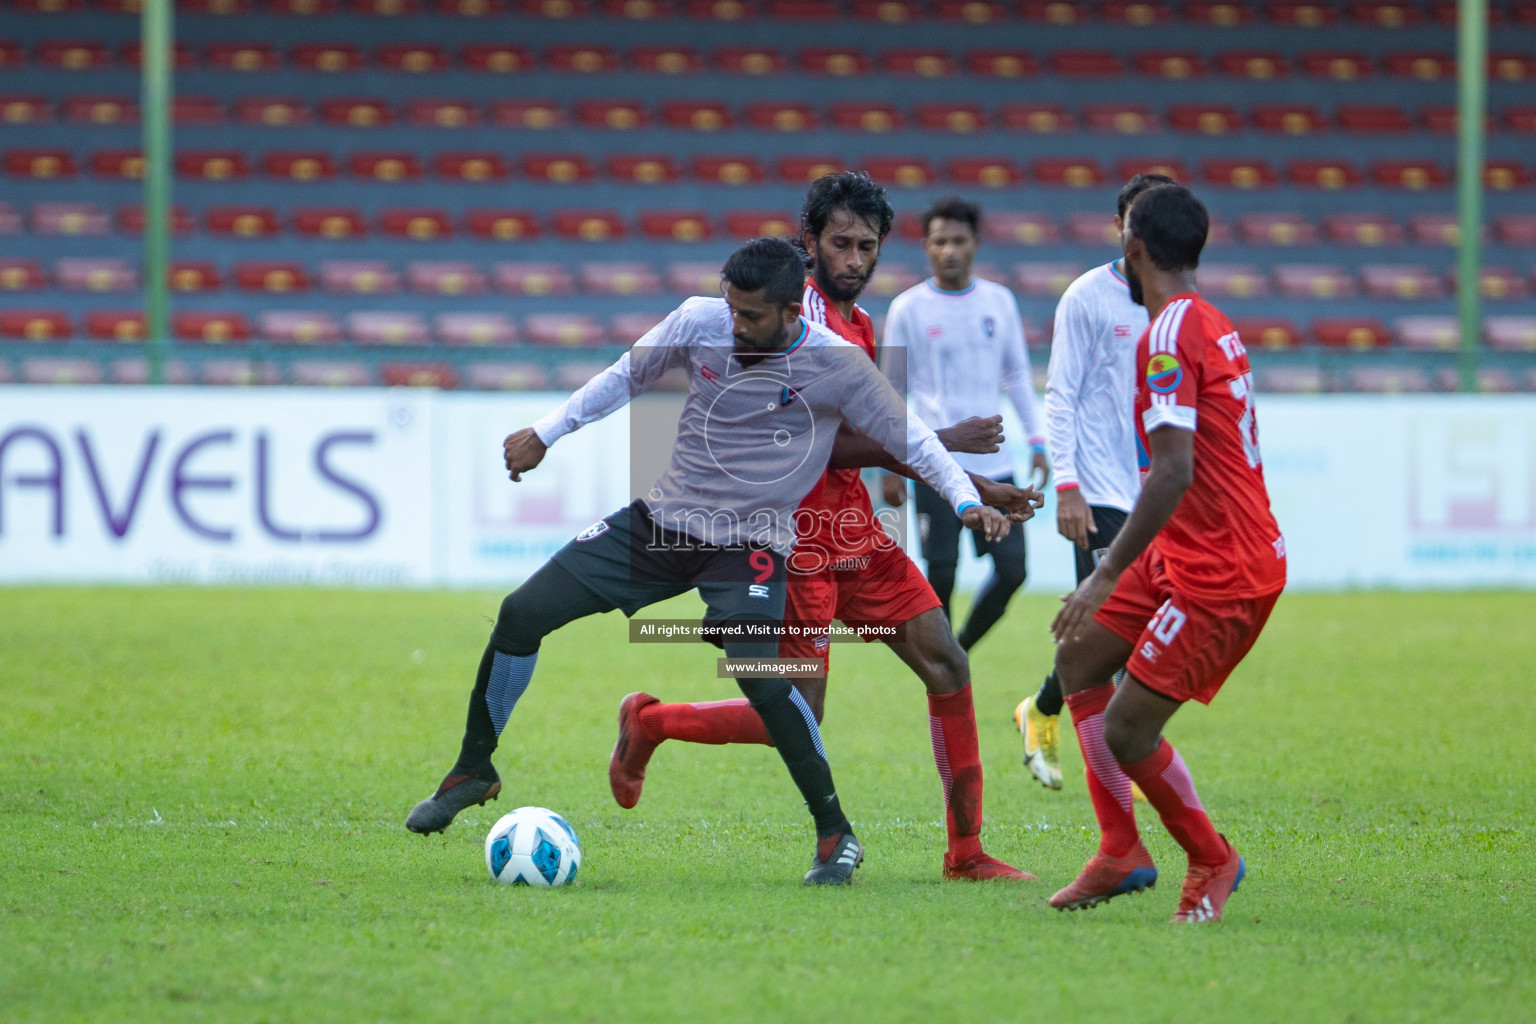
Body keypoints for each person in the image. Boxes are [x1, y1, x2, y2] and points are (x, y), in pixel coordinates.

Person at [405, 237, 1012, 886]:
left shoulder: (834, 363)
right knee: (521, 613)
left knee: (762, 679)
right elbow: (625, 376)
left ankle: (835, 835)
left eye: (751, 315)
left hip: (750, 548)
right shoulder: (702, 319)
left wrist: (966, 499)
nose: (737, 324)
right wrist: (546, 434)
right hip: (662, 525)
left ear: (789, 311)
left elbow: (912, 441)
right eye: (733, 309)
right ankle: (474, 769)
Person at [608, 172, 1042, 882]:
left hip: (855, 532)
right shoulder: (789, 323)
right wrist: (947, 443)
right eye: (840, 243)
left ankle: (966, 854)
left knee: (947, 663)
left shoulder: (862, 325)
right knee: (800, 719)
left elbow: (871, 437)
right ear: (808, 244)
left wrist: (968, 483)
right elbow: (821, 440)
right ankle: (652, 722)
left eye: (867, 246)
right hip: (792, 541)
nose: (854, 259)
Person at [1046, 183, 1285, 923]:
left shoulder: (1168, 334)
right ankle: (1120, 851)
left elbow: (1175, 469)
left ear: (1134, 247)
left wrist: (1106, 569)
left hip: (1222, 570)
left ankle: (1212, 859)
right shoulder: (1211, 321)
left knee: (1126, 726)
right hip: (1186, 546)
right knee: (1079, 660)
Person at [1013, 172, 1176, 791]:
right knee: (1104, 631)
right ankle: (1119, 772)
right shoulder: (1086, 297)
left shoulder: (1175, 302)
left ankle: (1043, 707)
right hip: (1103, 492)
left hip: (1159, 493)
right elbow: (1061, 396)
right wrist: (1068, 486)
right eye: (1136, 220)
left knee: (1131, 631)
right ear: (1121, 228)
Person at [880, 196, 1048, 653]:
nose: (949, 250)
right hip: (934, 463)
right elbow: (891, 390)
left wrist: (1037, 440)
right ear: (927, 246)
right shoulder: (907, 308)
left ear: (975, 243)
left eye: (958, 240)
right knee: (942, 574)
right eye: (940, 241)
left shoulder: (999, 301)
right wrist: (891, 464)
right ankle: (942, 669)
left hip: (996, 463)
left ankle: (959, 651)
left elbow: (1015, 373)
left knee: (1014, 569)